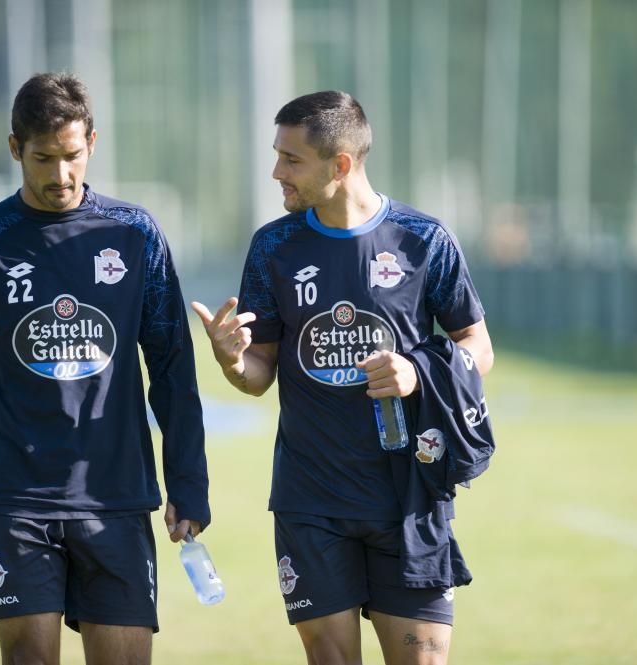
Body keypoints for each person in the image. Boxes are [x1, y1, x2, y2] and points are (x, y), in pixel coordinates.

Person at [192, 91, 494, 665]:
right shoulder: (274, 246)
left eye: (291, 160)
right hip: (312, 498)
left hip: (409, 496)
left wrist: (417, 373)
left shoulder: (422, 238)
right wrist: (232, 359)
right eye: (277, 155)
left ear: (341, 165)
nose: (276, 171)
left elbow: (478, 348)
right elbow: (258, 376)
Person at [0, 72, 210, 665]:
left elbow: (174, 371)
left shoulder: (135, 235)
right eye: (43, 158)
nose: (60, 175)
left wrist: (189, 484)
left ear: (93, 143)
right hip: (17, 498)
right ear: (14, 148)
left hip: (118, 496)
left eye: (72, 156)